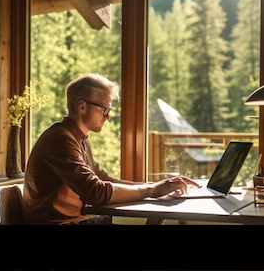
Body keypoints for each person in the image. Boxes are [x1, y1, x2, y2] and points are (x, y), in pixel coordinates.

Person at [22, 72, 200, 225]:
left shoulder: (79, 138)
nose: (108, 117)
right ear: (82, 106)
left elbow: (101, 178)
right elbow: (95, 191)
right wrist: (153, 191)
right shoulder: (59, 139)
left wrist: (152, 186)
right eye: (104, 110)